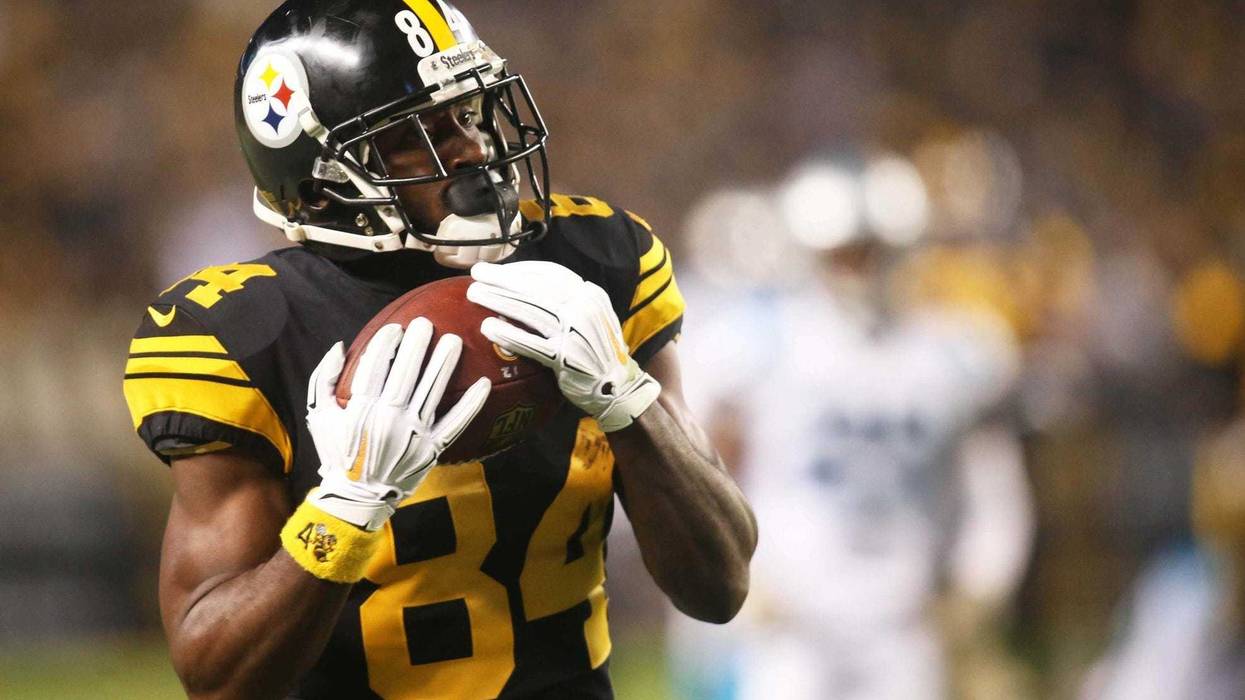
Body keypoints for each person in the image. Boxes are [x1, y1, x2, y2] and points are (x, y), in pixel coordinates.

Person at [120, 2, 756, 698]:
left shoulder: (597, 260)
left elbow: (718, 586)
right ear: (326, 176)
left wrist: (626, 398)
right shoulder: (246, 334)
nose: (472, 147)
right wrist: (344, 510)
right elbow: (217, 677)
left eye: (467, 111)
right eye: (418, 132)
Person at [668, 207, 1032, 700]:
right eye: (844, 255)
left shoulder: (951, 352)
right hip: (793, 623)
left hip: (905, 621)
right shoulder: (761, 344)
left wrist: (981, 581)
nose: (858, 270)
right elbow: (702, 465)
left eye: (869, 253)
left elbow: (992, 483)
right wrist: (732, 567)